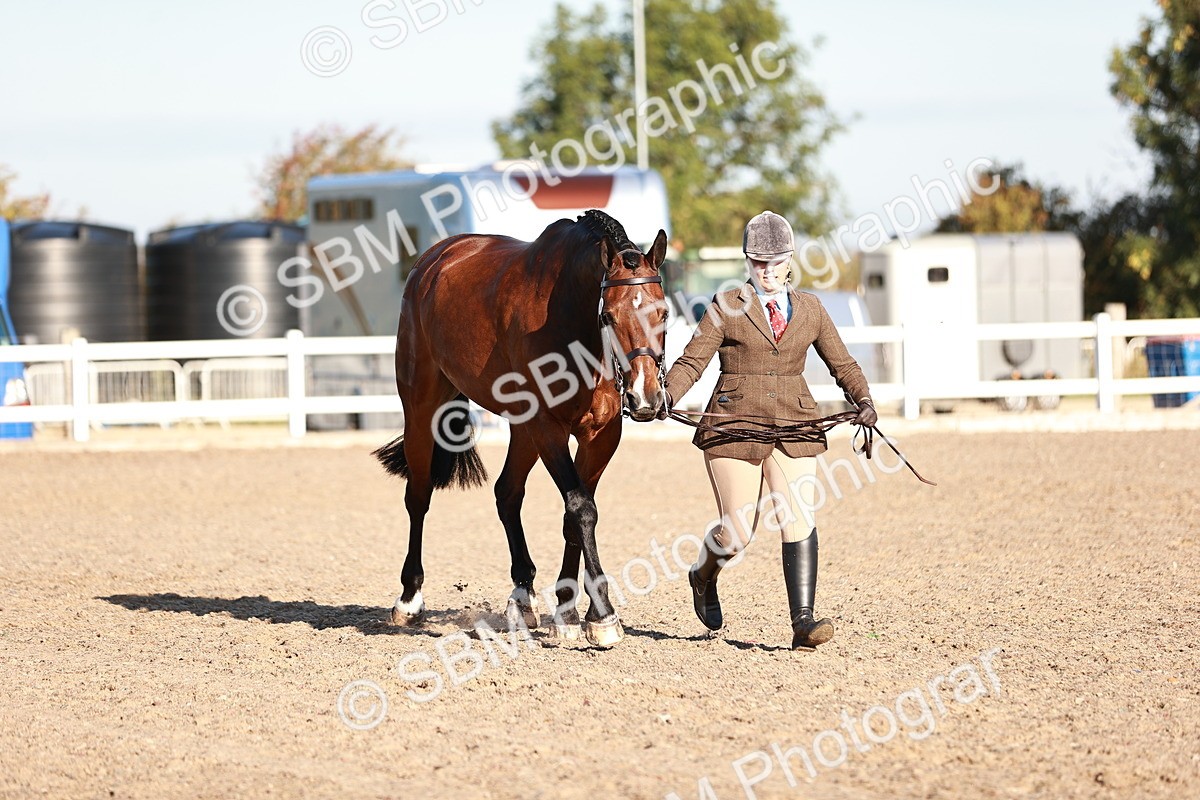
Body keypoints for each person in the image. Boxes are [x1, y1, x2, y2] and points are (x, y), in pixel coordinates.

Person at [662, 211, 877, 649]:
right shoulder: (726, 306)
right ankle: (704, 574)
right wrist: (666, 394)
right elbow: (691, 361)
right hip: (734, 425)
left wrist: (864, 399)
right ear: (747, 261)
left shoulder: (812, 309)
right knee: (738, 533)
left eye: (774, 260)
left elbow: (843, 364)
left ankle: (803, 622)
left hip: (795, 425)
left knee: (799, 516)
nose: (766, 270)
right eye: (758, 261)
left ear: (789, 259)